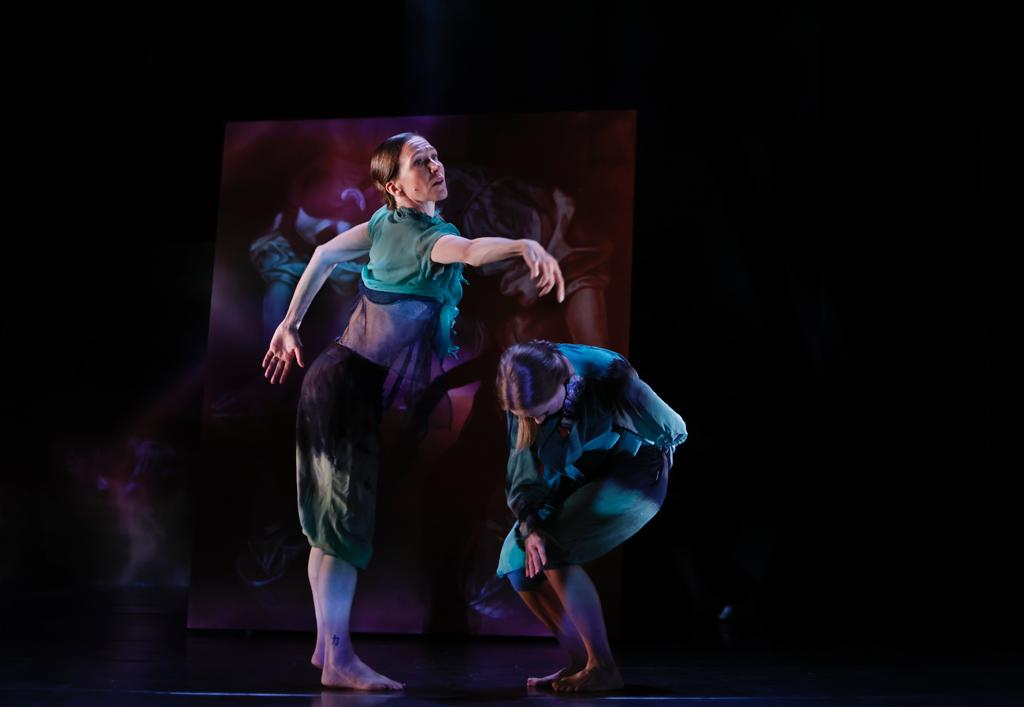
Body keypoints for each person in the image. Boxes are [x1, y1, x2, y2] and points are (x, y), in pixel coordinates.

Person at [261, 132, 565, 690]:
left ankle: (326, 651)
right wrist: (524, 244)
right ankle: (339, 658)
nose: (435, 164)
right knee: (342, 530)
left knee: (330, 530)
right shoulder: (425, 238)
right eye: (419, 161)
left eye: (434, 155)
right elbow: (470, 251)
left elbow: (325, 255)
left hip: (334, 380)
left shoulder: (384, 225)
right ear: (395, 186)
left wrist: (291, 324)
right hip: (346, 387)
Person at [495, 339, 687, 692]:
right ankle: (580, 662)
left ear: (563, 383)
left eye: (542, 412)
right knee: (517, 562)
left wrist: (611, 427)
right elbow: (522, 471)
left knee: (553, 548)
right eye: (527, 415)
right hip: (578, 474)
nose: (536, 421)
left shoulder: (609, 376)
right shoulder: (521, 386)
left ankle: (603, 668)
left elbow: (674, 429)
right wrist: (530, 526)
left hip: (634, 470)